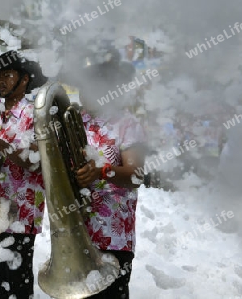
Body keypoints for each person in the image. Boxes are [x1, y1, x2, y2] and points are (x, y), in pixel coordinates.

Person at [68, 48, 146, 299]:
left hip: (113, 236)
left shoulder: (127, 122)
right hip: (76, 231)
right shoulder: (74, 120)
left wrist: (101, 172)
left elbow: (136, 175)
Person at [0, 50, 48, 299]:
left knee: (19, 283)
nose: (1, 80)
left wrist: (1, 146)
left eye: (8, 74)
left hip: (22, 212)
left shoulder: (36, 114)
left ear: (24, 79)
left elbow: (37, 163)